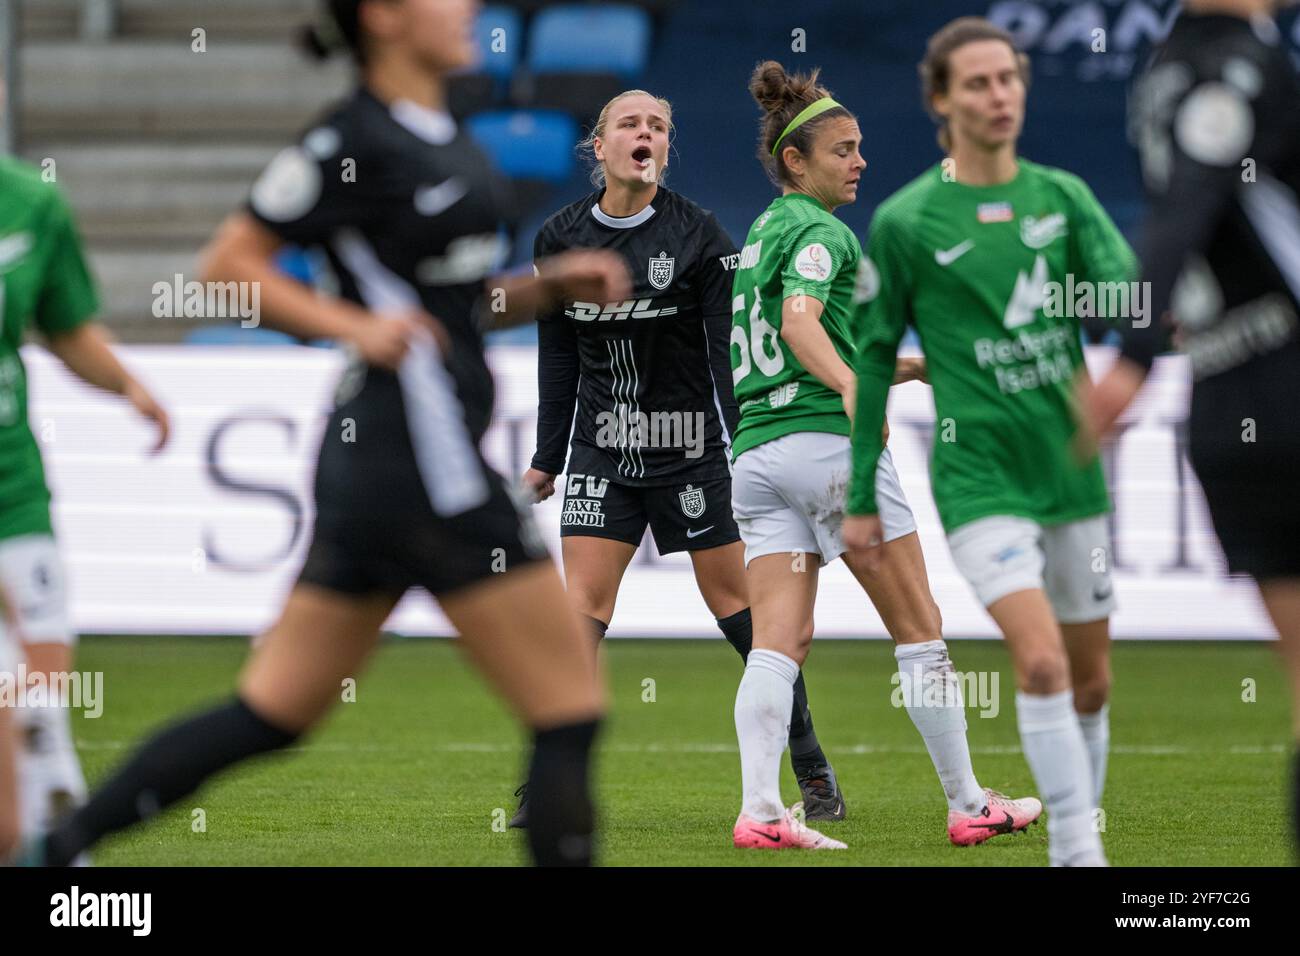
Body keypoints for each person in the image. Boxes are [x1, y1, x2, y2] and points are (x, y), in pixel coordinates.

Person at [23, 0, 630, 868]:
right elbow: (229, 264)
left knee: (272, 714)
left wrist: (545, 289)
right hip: (426, 462)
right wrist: (348, 326)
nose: (467, 8)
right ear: (382, 16)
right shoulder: (349, 141)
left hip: (377, 471)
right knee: (570, 706)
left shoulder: (442, 134)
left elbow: (447, 304)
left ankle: (55, 854)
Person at [844, 17, 1138, 866]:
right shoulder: (905, 222)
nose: (998, 94)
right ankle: (1078, 855)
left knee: (1091, 681)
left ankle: (1081, 832)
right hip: (977, 477)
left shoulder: (1064, 198)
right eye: (976, 83)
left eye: (1007, 78)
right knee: (1041, 663)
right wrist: (861, 493)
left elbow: (1126, 301)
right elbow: (868, 359)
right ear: (942, 100)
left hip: (1070, 471)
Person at [728, 60, 1041, 852]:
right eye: (843, 150)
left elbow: (805, 338)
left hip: (760, 458)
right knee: (919, 628)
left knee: (778, 643)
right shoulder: (819, 231)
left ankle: (762, 812)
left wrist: (910, 367)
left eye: (860, 146)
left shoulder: (764, 228)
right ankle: (970, 802)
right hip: (829, 454)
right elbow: (804, 327)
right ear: (795, 160)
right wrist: (854, 391)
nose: (860, 160)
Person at [514, 88, 843, 828]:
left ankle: (811, 765)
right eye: (630, 124)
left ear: (666, 150)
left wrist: (748, 438)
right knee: (579, 617)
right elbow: (558, 354)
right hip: (604, 450)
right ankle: (550, 783)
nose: (646, 134)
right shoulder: (558, 238)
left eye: (659, 126)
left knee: (742, 618)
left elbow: (727, 357)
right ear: (598, 147)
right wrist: (548, 456)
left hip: (691, 453)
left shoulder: (699, 236)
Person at [1081, 0, 1300, 854]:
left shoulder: (1164, 66)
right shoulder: (1238, 63)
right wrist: (1133, 357)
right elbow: (1192, 209)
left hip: (1227, 390)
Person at [0, 142, 170, 859]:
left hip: (12, 488)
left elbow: (65, 328)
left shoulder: (32, 204)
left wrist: (128, 385)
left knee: (37, 690)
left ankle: (53, 845)